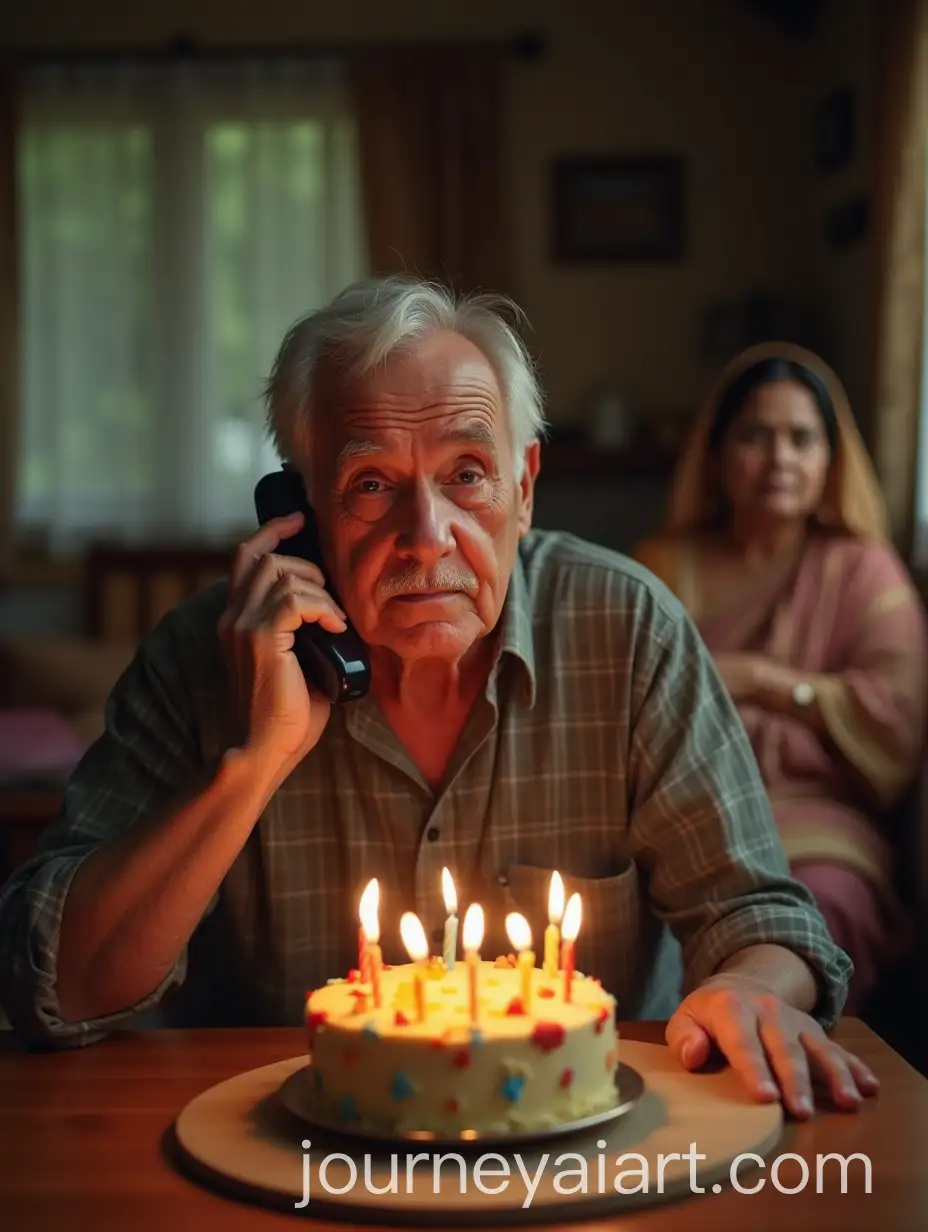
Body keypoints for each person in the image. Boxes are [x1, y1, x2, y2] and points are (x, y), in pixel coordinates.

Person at [0, 281, 877, 1120]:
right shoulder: (200, 658)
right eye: (371, 484)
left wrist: (749, 988)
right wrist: (254, 763)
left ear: (523, 488)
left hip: (583, 1158)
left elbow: (761, 916)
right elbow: (53, 986)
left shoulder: (629, 628)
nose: (425, 540)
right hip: (280, 1162)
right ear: (301, 511)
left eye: (466, 474)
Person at [633, 341, 928, 1015]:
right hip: (686, 820)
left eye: (801, 438)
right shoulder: (665, 564)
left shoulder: (861, 569)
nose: (779, 460)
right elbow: (622, 704)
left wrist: (763, 681)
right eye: (754, 436)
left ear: (830, 459)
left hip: (819, 819)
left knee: (822, 910)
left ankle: (789, 1063)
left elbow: (895, 718)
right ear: (715, 456)